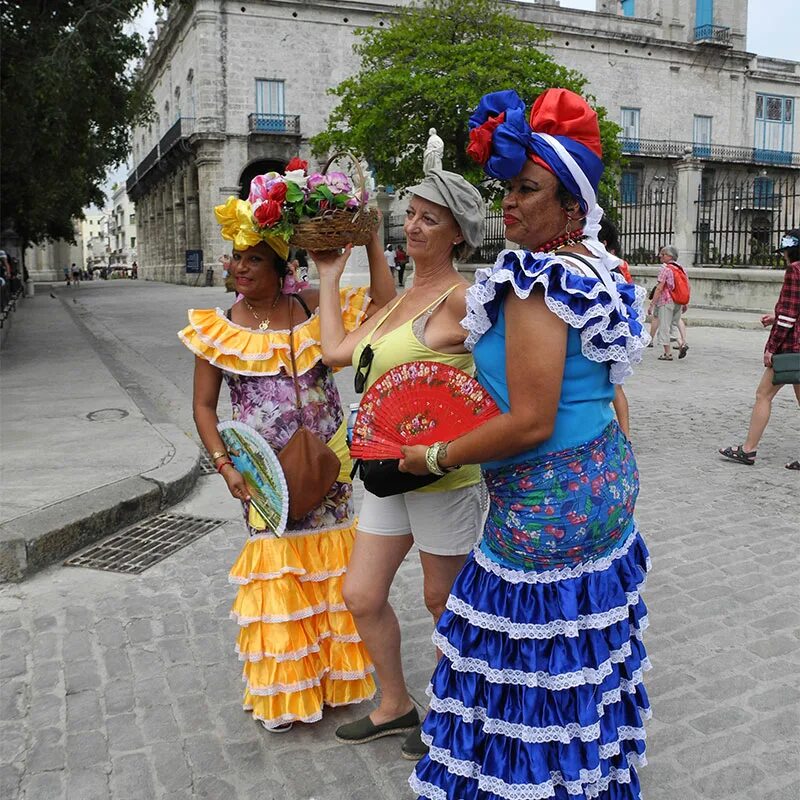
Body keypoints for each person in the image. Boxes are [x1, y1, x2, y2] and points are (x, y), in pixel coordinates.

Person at [400, 88, 651, 799]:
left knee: (516, 658)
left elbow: (533, 420)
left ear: (571, 203)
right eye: (507, 188)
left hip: (544, 503)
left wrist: (437, 456)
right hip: (603, 485)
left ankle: (530, 785)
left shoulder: (536, 281)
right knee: (581, 646)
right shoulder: (601, 271)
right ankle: (588, 775)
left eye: (527, 190)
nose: (509, 203)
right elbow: (610, 391)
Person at [178, 174, 396, 733]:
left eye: (253, 258)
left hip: (330, 467)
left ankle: (335, 679)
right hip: (264, 479)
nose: (240, 267)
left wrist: (370, 236)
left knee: (332, 569)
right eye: (235, 259)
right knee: (279, 573)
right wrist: (225, 467)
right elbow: (205, 408)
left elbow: (381, 303)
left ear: (281, 266)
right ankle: (286, 691)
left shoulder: (311, 308)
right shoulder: (218, 330)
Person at [315, 169, 486, 761]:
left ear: (458, 234)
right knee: (361, 593)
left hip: (440, 474)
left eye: (430, 218)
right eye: (411, 213)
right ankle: (395, 706)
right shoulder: (399, 301)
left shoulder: (462, 299)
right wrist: (330, 274)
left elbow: (501, 378)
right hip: (385, 470)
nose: (413, 225)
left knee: (443, 600)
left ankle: (453, 711)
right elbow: (336, 352)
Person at [719, 228, 800, 470]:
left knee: (763, 394)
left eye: (784, 251)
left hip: (792, 347)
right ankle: (748, 449)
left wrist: (771, 347)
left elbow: (789, 314)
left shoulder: (795, 271)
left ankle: (748, 449)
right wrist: (775, 317)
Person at [598, 217, 634, 434]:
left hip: (610, 333)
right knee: (614, 387)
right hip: (612, 332)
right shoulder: (615, 267)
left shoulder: (609, 268)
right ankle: (625, 433)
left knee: (615, 387)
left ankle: (626, 434)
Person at [648, 244, 688, 360]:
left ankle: (667, 353)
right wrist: (685, 302)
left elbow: (659, 288)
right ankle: (682, 344)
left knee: (665, 327)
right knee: (673, 325)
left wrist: (652, 304)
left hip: (666, 301)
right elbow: (686, 287)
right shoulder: (681, 269)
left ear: (669, 256)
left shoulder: (665, 270)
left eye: (663, 255)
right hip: (678, 301)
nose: (660, 257)